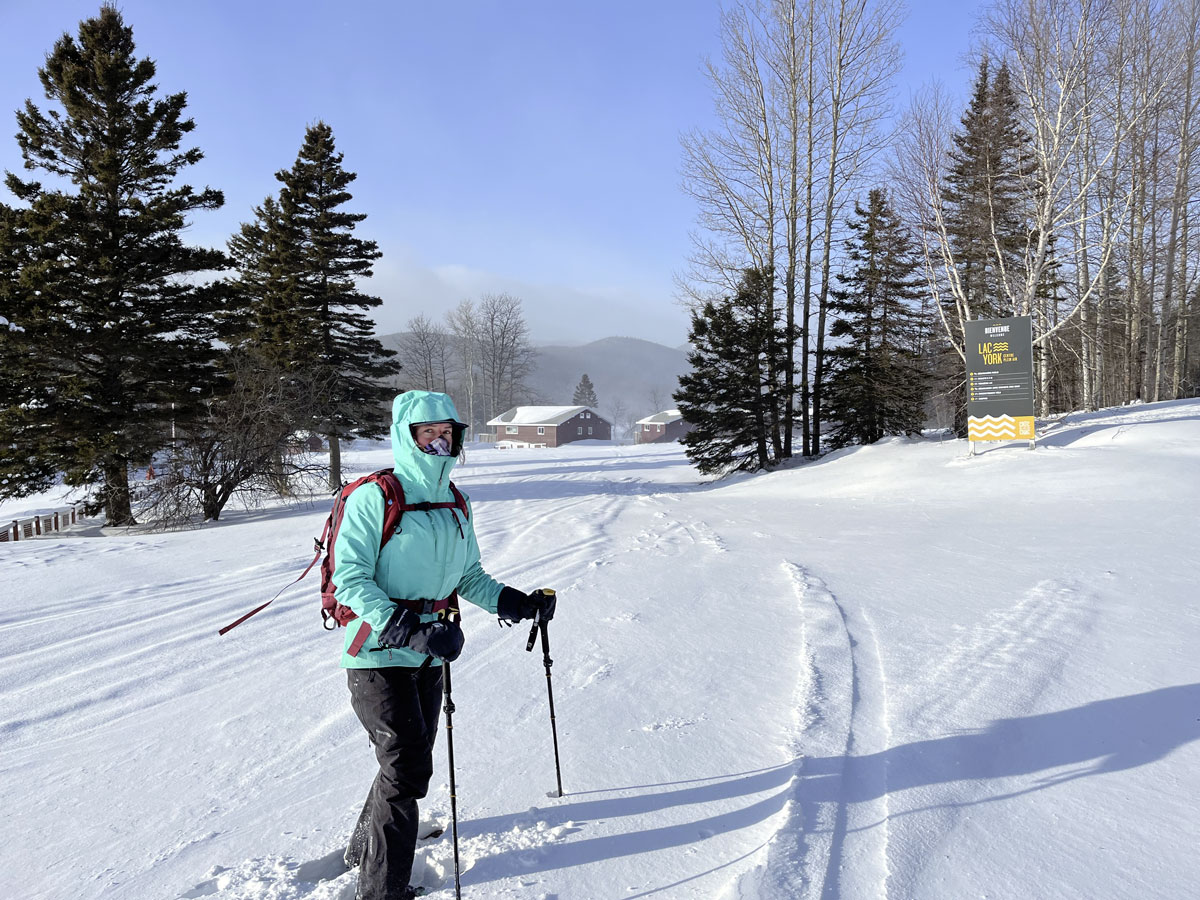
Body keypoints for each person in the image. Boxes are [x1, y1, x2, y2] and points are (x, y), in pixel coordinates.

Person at [335, 390, 556, 900]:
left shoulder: (457, 500)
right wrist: (410, 627)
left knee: (404, 763)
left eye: (447, 432)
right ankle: (382, 890)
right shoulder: (376, 497)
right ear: (407, 436)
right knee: (407, 767)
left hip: (432, 650)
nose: (439, 441)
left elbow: (470, 575)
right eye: (427, 432)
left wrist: (516, 604)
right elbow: (350, 578)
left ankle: (361, 852)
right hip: (377, 652)